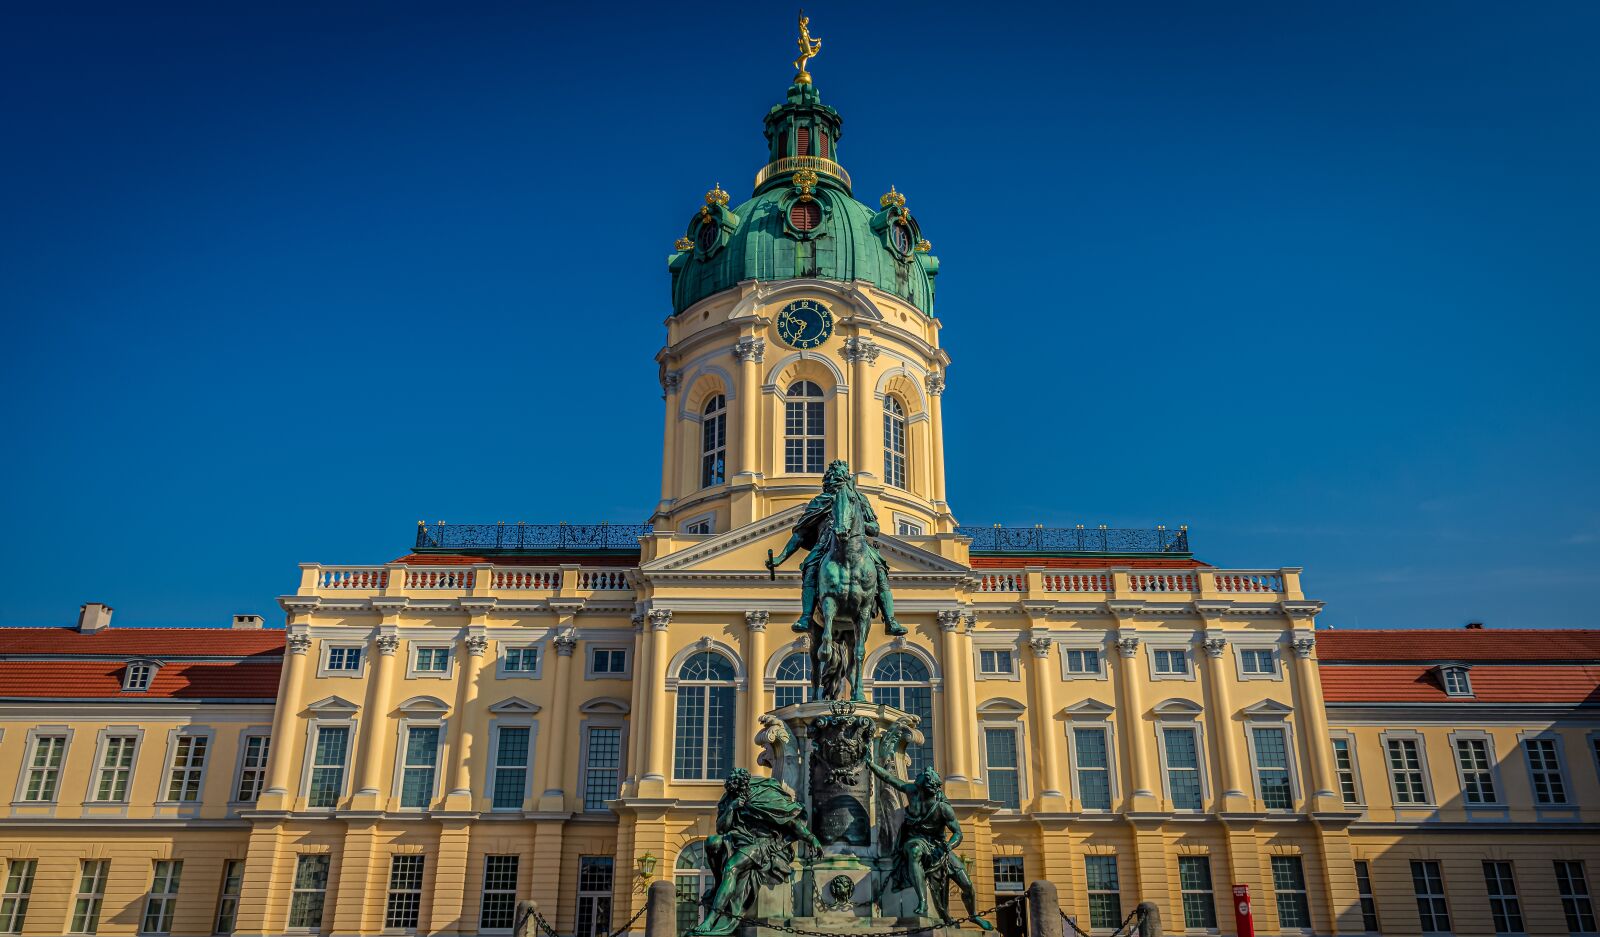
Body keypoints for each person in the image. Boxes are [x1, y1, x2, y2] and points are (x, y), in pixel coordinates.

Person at [766, 460, 905, 637]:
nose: (838, 478)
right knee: (810, 567)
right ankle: (806, 616)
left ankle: (890, 619)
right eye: (835, 475)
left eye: (842, 474)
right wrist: (780, 558)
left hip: (857, 543)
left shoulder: (859, 499)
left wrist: (860, 525)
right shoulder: (820, 501)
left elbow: (875, 528)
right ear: (829, 479)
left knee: (880, 568)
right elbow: (800, 534)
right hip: (825, 545)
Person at [689, 769, 822, 937]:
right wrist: (731, 807)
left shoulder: (764, 795)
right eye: (732, 792)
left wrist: (812, 839)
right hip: (738, 838)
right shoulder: (731, 798)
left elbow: (791, 823)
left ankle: (711, 919)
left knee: (731, 867)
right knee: (712, 842)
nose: (735, 793)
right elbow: (721, 828)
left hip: (761, 842)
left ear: (745, 785)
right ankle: (719, 886)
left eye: (739, 790)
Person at [866, 759, 993, 929]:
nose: (915, 777)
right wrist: (872, 765)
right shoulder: (912, 792)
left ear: (926, 785)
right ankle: (922, 901)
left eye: (919, 777)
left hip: (938, 845)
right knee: (914, 850)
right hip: (916, 839)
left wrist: (950, 845)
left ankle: (973, 916)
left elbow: (958, 833)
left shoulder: (942, 808)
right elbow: (890, 779)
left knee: (967, 885)